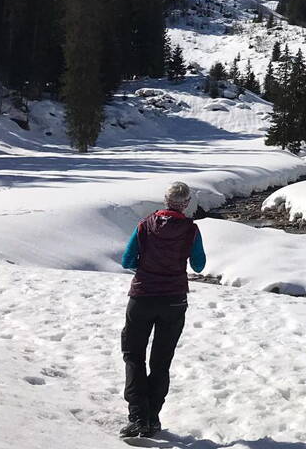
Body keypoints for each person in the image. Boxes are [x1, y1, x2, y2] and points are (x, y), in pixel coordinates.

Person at [119, 181, 206, 439]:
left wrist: (145, 268)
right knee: (161, 360)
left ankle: (137, 416)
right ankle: (153, 417)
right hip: (174, 300)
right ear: (187, 203)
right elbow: (199, 265)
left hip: (142, 296)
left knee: (134, 355)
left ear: (165, 201)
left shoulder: (145, 225)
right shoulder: (191, 229)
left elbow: (126, 260)